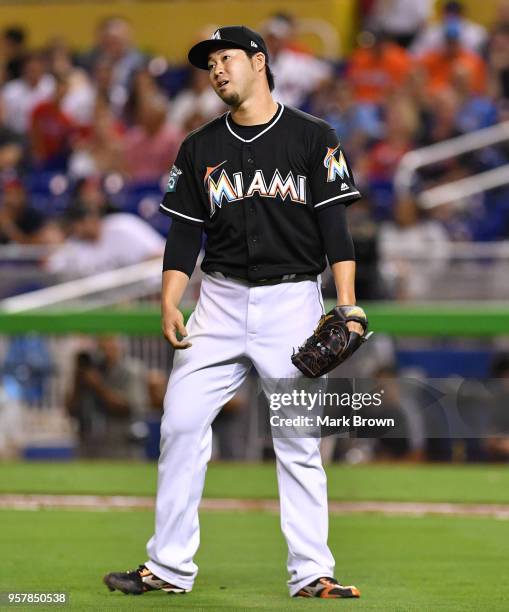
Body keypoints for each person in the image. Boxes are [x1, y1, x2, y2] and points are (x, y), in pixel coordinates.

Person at [104, 25, 365, 600]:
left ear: (258, 62)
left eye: (225, 58)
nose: (216, 70)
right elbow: (183, 236)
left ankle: (311, 572)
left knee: (297, 439)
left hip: (292, 302)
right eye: (209, 63)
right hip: (217, 304)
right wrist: (170, 298)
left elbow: (336, 231)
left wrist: (345, 304)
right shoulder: (200, 146)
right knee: (179, 424)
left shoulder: (312, 136)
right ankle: (168, 567)